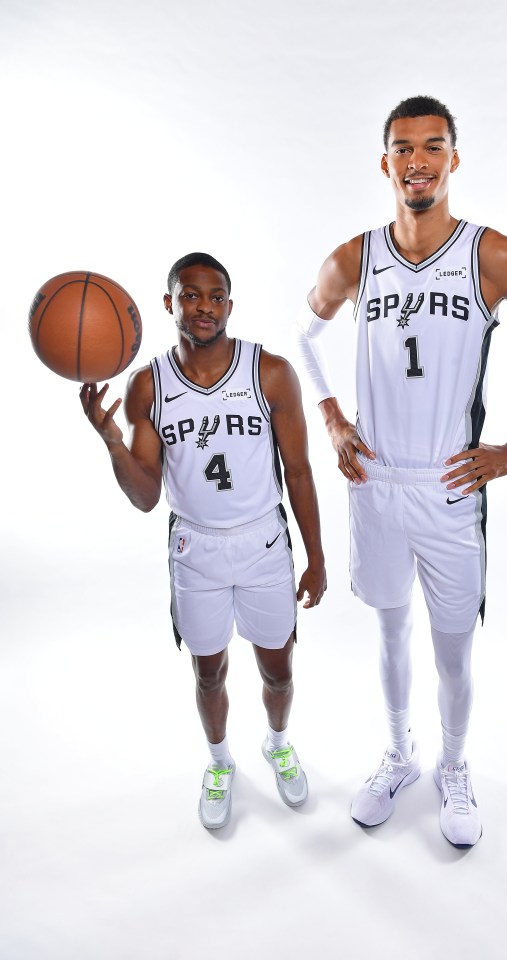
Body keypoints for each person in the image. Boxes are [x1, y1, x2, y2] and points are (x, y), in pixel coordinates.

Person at [296, 95, 507, 848]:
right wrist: (332, 417)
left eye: (433, 146)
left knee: (453, 646)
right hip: (377, 483)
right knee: (391, 631)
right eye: (404, 148)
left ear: (454, 159)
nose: (418, 160)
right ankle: (400, 755)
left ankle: (454, 767)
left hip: (451, 487)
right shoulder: (353, 259)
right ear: (386, 163)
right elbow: (306, 334)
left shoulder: (492, 255)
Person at [81, 252, 326, 830]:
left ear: (230, 306)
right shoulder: (148, 385)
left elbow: (300, 472)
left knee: (279, 671)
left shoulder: (270, 373)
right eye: (190, 295)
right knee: (208, 672)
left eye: (215, 297)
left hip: (264, 542)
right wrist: (113, 441)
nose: (204, 307)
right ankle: (219, 762)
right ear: (169, 304)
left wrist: (315, 558)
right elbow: (145, 497)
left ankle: (278, 743)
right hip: (195, 549)